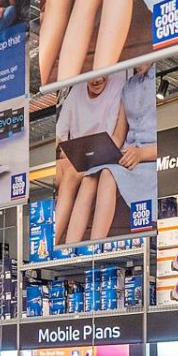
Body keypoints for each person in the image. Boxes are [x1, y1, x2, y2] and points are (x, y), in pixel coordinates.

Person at [52, 72, 127, 246]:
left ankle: (55, 244)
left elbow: (113, 138)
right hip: (77, 156)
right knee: (57, 172)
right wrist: (64, 152)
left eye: (102, 74)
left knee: (70, 176)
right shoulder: (76, 91)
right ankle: (53, 240)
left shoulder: (118, 84)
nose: (97, 80)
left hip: (102, 157)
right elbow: (60, 134)